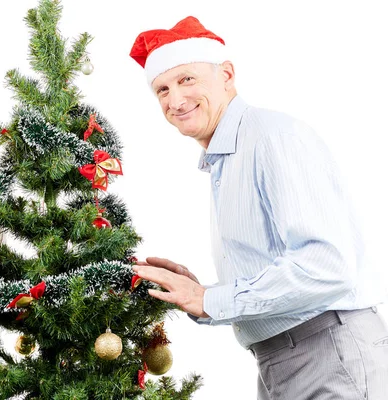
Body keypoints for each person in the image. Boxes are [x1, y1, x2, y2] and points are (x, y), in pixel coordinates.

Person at [129, 16, 388, 400]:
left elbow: (327, 266)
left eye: (187, 79)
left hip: (328, 351)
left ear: (227, 75)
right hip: (279, 359)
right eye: (162, 89)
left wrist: (210, 301)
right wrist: (199, 293)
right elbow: (279, 271)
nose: (175, 100)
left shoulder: (271, 138)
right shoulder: (225, 158)